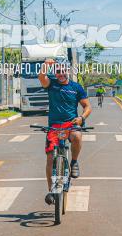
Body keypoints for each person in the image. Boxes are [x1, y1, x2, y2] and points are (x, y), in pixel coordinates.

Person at [38, 58, 91, 205]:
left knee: (77, 136)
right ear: (55, 72)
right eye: (58, 71)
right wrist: (45, 65)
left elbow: (87, 107)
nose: (61, 74)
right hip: (54, 126)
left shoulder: (76, 87)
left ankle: (73, 162)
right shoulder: (51, 84)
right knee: (50, 158)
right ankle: (52, 191)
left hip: (71, 124)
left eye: (63, 71)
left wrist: (81, 118)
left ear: (68, 71)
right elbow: (41, 77)